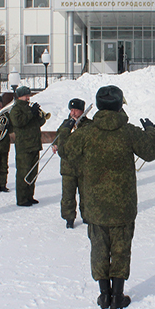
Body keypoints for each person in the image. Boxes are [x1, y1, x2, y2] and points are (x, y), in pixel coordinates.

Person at [62, 85, 155, 309]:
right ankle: (118, 296)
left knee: (98, 249)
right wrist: (151, 130)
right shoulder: (128, 132)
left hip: (95, 206)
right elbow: (152, 152)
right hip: (123, 206)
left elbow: (66, 151)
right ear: (119, 106)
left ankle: (103, 296)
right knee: (120, 250)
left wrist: (66, 128)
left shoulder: (86, 132)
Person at [55, 98, 93, 229]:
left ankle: (87, 216)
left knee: (86, 194)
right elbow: (59, 137)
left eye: (76, 110)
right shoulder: (66, 123)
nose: (73, 113)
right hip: (68, 167)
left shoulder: (89, 125)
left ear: (82, 111)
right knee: (67, 195)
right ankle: (69, 218)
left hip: (84, 166)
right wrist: (56, 144)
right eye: (71, 110)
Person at [9, 86, 47, 207]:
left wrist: (39, 115)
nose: (28, 98)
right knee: (23, 172)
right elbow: (19, 122)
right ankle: (22, 199)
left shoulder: (29, 108)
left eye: (28, 96)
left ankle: (30, 196)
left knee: (33, 172)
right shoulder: (15, 109)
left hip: (34, 144)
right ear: (19, 96)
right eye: (26, 96)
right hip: (24, 145)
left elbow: (39, 123)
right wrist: (31, 113)